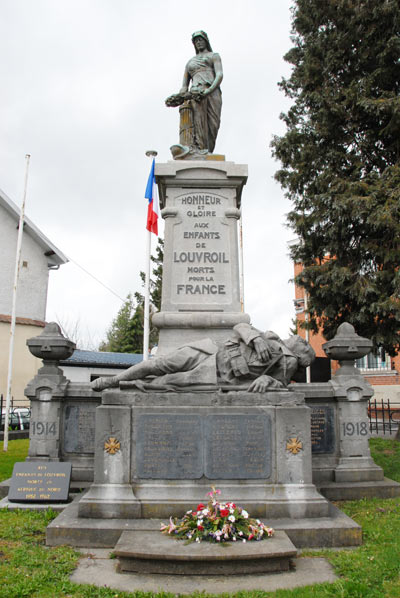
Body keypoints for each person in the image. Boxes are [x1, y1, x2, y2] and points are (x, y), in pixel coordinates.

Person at [91, 323, 315, 393]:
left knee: (165, 383)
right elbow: (240, 326)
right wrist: (255, 338)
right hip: (212, 350)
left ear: (300, 354)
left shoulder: (288, 362)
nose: (298, 337)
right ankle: (113, 380)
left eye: (303, 343)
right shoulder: (270, 336)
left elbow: (281, 385)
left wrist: (268, 380)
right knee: (160, 363)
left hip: (215, 374)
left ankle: (128, 384)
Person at [166, 31, 223, 155]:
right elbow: (184, 86)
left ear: (206, 41)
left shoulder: (214, 56)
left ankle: (208, 153)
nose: (198, 42)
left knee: (213, 125)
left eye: (200, 39)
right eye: (196, 41)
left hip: (212, 93)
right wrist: (181, 97)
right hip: (196, 94)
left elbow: (219, 75)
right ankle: (200, 150)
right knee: (198, 123)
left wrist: (209, 90)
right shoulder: (190, 63)